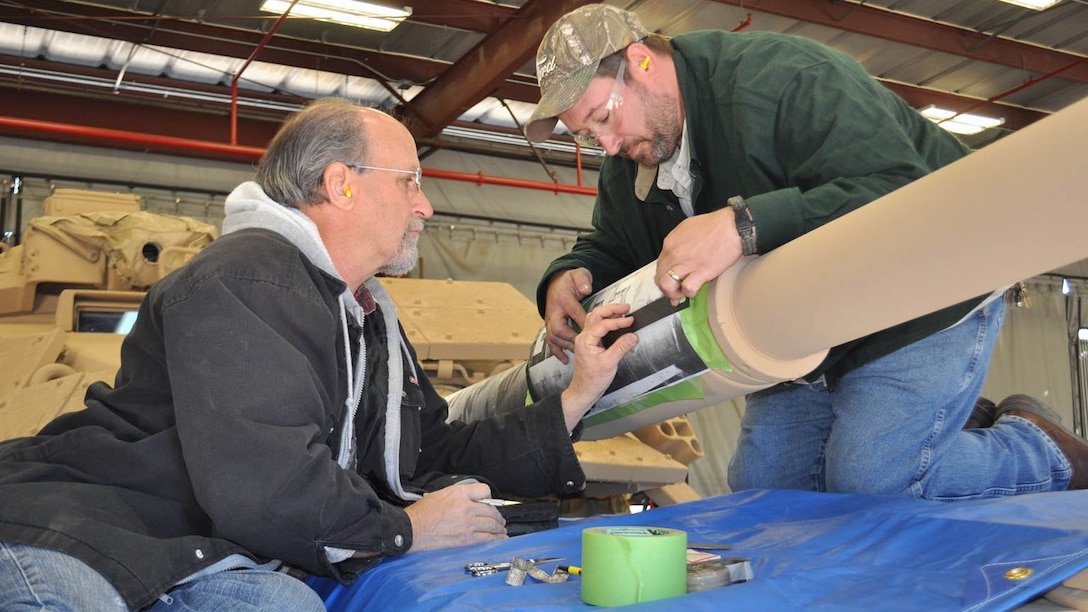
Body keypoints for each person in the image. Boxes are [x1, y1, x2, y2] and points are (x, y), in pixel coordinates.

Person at [0, 98, 639, 610]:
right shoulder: (247, 279)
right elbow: (264, 482)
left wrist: (577, 391)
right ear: (341, 185)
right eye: (411, 180)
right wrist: (408, 531)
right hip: (79, 532)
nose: (427, 204)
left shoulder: (365, 317)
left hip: (193, 551)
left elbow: (431, 449)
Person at [525, 5, 1088, 500]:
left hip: (922, 293)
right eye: (585, 136)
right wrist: (570, 274)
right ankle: (931, 425)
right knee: (766, 491)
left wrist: (742, 225)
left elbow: (901, 188)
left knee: (870, 481)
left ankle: (1040, 449)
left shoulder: (784, 79)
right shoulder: (632, 155)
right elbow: (614, 242)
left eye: (603, 117)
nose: (608, 145)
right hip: (809, 327)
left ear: (642, 62)